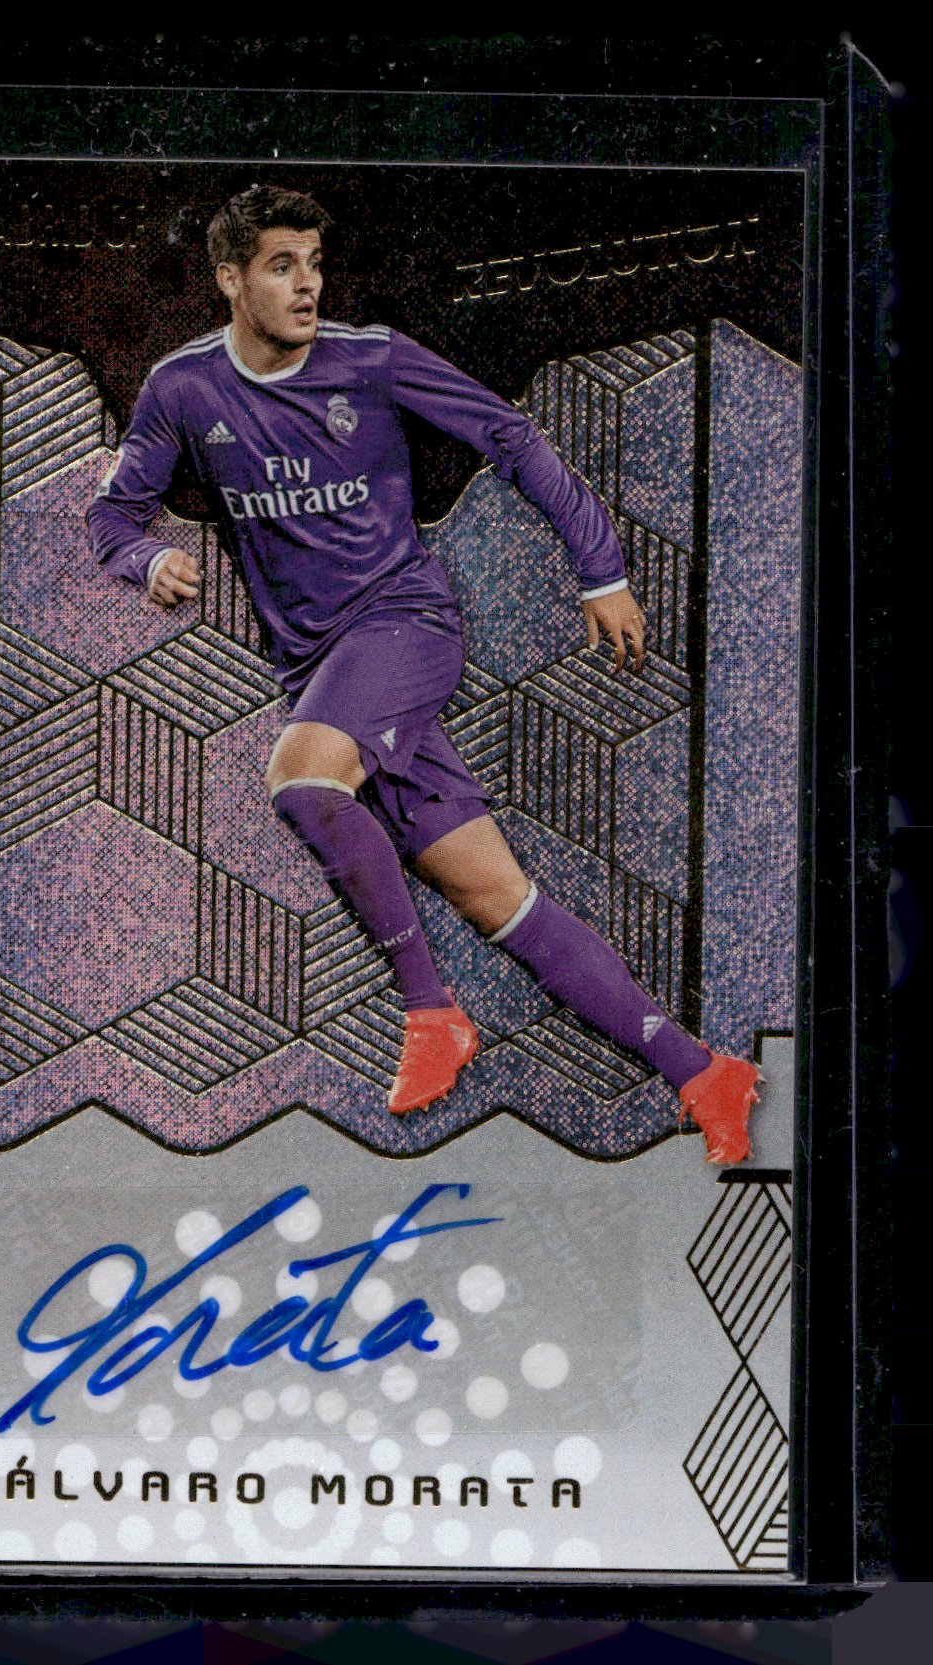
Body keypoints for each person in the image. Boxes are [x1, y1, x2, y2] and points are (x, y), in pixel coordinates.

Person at [87, 184, 759, 1163]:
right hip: (322, 670)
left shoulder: (371, 359)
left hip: (406, 624)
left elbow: (510, 436)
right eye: (281, 266)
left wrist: (602, 570)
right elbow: (113, 515)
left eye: (315, 264)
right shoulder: (183, 388)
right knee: (499, 901)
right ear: (229, 279)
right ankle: (703, 1071)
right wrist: (147, 558)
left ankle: (431, 1013)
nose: (307, 284)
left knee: (304, 781)